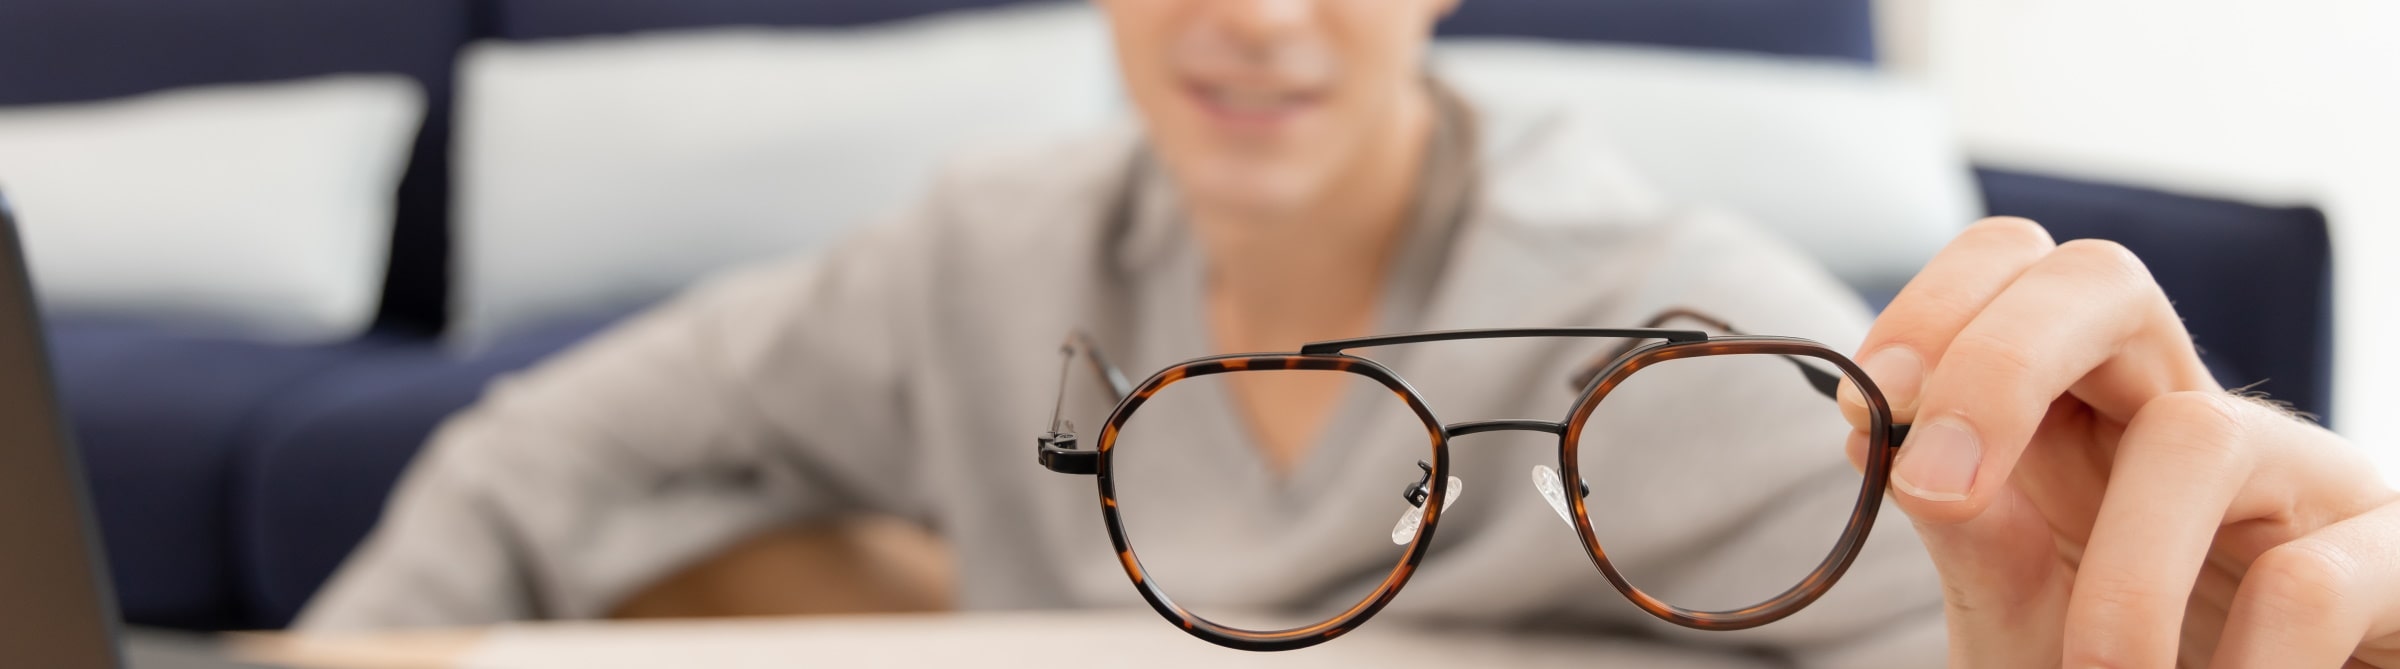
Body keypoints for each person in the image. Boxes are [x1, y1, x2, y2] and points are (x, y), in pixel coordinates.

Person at [301, 0, 2400, 666]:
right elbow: (538, 444)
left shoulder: (1680, 332)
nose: (1259, 18)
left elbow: (2002, 616)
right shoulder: (978, 248)